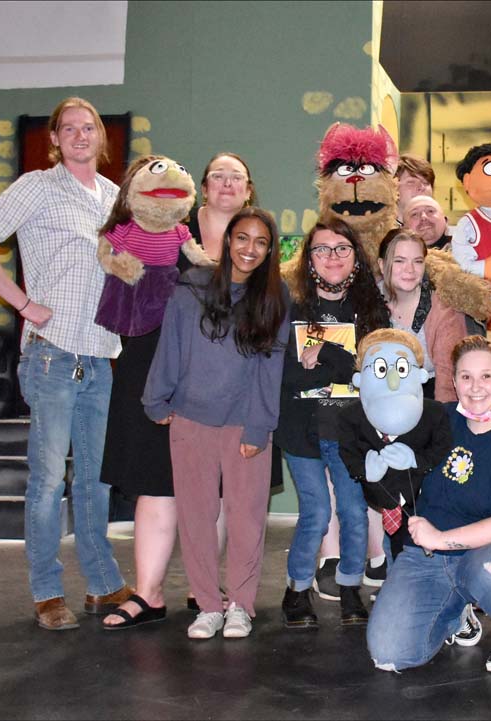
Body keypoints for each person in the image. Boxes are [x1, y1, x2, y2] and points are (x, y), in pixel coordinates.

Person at [0, 96, 131, 631]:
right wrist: (25, 305)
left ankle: (102, 585)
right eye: (70, 128)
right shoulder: (35, 186)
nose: (81, 135)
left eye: (90, 127)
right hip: (52, 357)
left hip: (101, 359)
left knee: (97, 481)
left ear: (102, 139)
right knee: (49, 479)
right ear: (54, 139)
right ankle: (47, 591)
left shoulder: (116, 198)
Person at [102, 151, 259, 628]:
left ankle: (205, 589)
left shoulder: (260, 246)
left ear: (249, 190)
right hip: (155, 370)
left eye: (237, 177)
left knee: (217, 488)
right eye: (218, 176)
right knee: (155, 483)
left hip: (226, 385)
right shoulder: (164, 231)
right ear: (202, 188)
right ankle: (147, 594)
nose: (227, 184)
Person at [142, 206, 289, 639]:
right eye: (243, 238)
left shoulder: (275, 297)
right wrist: (156, 400)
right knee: (196, 517)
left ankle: (241, 605)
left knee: (246, 519)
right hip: (191, 419)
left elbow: (271, 369)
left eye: (261, 243)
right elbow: (170, 347)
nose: (251, 249)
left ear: (270, 251)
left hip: (244, 424)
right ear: (227, 240)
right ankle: (208, 605)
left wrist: (259, 427)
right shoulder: (190, 288)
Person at [366, 336, 491, 674]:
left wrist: (438, 539)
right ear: (454, 381)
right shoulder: (436, 421)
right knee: (389, 655)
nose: (475, 387)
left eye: (487, 376)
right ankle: (455, 609)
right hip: (428, 558)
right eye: (465, 377)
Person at [279, 219, 390, 627]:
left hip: (350, 433)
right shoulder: (290, 307)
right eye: (322, 249)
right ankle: (296, 590)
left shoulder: (372, 310)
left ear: (356, 258)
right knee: (316, 513)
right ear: (308, 260)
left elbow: (372, 372)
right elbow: (286, 376)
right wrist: (339, 368)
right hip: (301, 431)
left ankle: (349, 588)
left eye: (342, 248)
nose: (332, 257)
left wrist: (324, 352)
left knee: (354, 511)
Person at [378, 228, 468, 402]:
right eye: (399, 261)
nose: (410, 269)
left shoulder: (444, 310)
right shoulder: (366, 301)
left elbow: (449, 379)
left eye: (418, 261)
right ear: (382, 265)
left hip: (428, 397)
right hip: (376, 394)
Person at [394, 155, 436, 226]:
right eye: (411, 182)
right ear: (394, 188)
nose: (421, 187)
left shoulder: (444, 233)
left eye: (426, 182)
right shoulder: (377, 232)